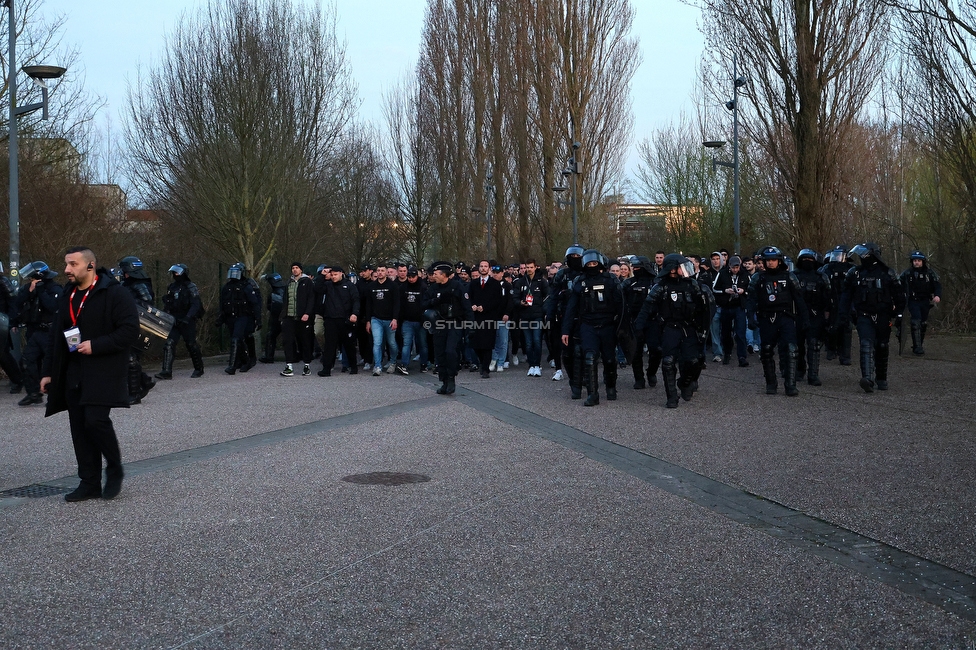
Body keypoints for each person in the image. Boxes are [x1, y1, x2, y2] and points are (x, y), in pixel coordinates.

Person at [41, 246, 139, 502]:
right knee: (79, 427)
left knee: (95, 420)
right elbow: (55, 336)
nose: (66, 270)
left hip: (103, 370)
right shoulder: (68, 294)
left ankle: (114, 466)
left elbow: (129, 330)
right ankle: (89, 482)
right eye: (66, 264)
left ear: (90, 266)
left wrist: (97, 345)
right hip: (74, 370)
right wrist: (48, 373)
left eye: (72, 264)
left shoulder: (115, 293)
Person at [634, 254, 709, 408]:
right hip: (669, 328)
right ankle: (672, 397)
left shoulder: (692, 285)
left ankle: (684, 383)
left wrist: (703, 330)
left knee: (694, 361)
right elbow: (647, 308)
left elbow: (704, 309)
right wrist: (638, 328)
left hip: (689, 327)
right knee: (668, 362)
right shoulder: (660, 286)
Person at [839, 242, 905, 392]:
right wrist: (844, 315)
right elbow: (846, 296)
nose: (861, 257)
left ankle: (881, 378)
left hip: (883, 316)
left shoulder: (888, 273)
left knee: (882, 346)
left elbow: (900, 296)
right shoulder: (854, 273)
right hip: (864, 315)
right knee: (866, 344)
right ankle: (867, 379)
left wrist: (899, 315)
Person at [562, 249, 624, 406]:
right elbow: (571, 308)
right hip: (588, 325)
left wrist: (622, 327)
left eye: (594, 263)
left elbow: (621, 305)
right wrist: (566, 330)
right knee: (589, 358)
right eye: (589, 263)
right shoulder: (580, 282)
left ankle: (611, 387)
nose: (592, 266)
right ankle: (592, 394)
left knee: (610, 359)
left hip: (608, 325)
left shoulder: (611, 280)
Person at [746, 246, 808, 397]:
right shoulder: (757, 278)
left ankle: (790, 385)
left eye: (774, 260)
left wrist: (804, 319)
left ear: (779, 261)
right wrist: (750, 318)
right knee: (766, 350)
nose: (771, 263)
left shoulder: (789, 277)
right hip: (766, 318)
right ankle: (771, 383)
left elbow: (799, 299)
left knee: (791, 350)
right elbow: (751, 300)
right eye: (768, 260)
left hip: (785, 317)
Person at [14, 261, 61, 406]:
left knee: (52, 364)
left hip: (50, 331)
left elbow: (53, 307)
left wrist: (41, 291)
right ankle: (33, 392)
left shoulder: (55, 288)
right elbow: (17, 304)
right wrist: (30, 291)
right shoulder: (30, 287)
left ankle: (55, 394)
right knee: (26, 361)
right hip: (35, 331)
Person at [423, 261, 473, 395]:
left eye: (436, 274)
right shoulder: (433, 288)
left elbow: (467, 307)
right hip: (439, 324)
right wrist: (436, 301)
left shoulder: (457, 287)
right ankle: (444, 381)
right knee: (440, 354)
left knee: (450, 351)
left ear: (444, 275)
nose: (433, 276)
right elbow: (423, 303)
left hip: (454, 323)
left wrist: (470, 326)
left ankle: (451, 378)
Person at [155, 263, 205, 379]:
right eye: (174, 273)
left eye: (177, 272)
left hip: (187, 319)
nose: (175, 275)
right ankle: (166, 371)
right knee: (169, 343)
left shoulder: (191, 286)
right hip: (174, 319)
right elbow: (168, 304)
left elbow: (195, 304)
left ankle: (199, 369)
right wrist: (165, 315)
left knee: (191, 344)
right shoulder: (172, 287)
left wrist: (188, 318)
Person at [118, 256, 157, 404]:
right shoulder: (126, 284)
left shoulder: (140, 285)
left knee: (130, 358)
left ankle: (134, 394)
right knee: (127, 358)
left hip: (137, 325)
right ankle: (145, 381)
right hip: (125, 324)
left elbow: (147, 305)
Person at [793, 249, 831, 385]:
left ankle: (813, 374)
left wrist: (828, 319)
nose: (807, 262)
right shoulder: (794, 276)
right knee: (797, 346)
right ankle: (799, 369)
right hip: (797, 315)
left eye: (810, 260)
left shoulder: (822, 277)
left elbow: (828, 300)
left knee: (814, 345)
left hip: (816, 316)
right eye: (805, 259)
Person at [218, 262, 262, 375]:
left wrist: (258, 318)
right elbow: (223, 304)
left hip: (243, 316)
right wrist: (221, 317)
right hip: (230, 317)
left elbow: (255, 303)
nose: (233, 275)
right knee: (237, 339)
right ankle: (242, 360)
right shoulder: (227, 287)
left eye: (235, 273)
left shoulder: (246, 286)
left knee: (236, 338)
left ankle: (232, 366)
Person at [317, 265, 360, 376]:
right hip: (330, 319)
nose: (333, 277)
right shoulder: (328, 285)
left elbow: (356, 300)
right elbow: (317, 289)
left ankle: (353, 366)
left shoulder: (349, 286)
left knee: (349, 345)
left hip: (345, 319)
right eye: (332, 275)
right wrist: (322, 275)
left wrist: (355, 313)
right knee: (329, 345)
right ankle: (326, 369)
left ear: (341, 273)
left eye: (335, 275)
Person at [468, 259, 508, 378]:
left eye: (486, 266)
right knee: (475, 343)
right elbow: (468, 297)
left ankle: (485, 369)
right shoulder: (474, 283)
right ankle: (482, 363)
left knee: (487, 344)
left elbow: (498, 301)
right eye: (481, 266)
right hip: (476, 317)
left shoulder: (495, 284)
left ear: (489, 268)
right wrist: (473, 306)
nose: (483, 268)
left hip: (489, 317)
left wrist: (484, 307)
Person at [899, 250, 942, 355]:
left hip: (925, 301)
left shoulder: (929, 273)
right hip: (913, 301)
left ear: (923, 261)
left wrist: (937, 295)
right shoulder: (907, 273)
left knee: (923, 323)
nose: (916, 262)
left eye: (918, 260)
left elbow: (937, 285)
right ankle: (917, 347)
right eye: (914, 261)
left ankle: (918, 344)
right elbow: (898, 284)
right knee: (916, 321)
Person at [513, 258, 550, 377]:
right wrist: (520, 303)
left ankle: (538, 365)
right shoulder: (520, 282)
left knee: (537, 341)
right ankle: (531, 366)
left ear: (535, 267)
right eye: (526, 267)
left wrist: (542, 308)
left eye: (530, 267)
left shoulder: (541, 281)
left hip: (537, 316)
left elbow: (548, 296)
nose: (528, 270)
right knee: (528, 343)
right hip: (524, 316)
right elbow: (515, 298)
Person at [279, 262, 315, 377]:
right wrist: (283, 315)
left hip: (303, 317)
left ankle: (307, 365)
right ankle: (289, 366)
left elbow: (311, 298)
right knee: (287, 341)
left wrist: (307, 313)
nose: (294, 270)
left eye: (297, 268)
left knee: (304, 341)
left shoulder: (307, 282)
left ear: (301, 270)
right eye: (293, 268)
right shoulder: (288, 283)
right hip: (289, 316)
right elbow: (285, 299)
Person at [365, 262, 401, 375]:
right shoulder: (371, 286)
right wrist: (368, 321)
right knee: (377, 342)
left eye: (382, 271)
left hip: (390, 319)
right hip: (376, 319)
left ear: (386, 272)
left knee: (391, 343)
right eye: (378, 271)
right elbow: (368, 305)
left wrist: (395, 318)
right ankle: (377, 366)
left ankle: (393, 362)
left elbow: (397, 304)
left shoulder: (393, 286)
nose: (380, 273)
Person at [714, 255, 750, 367]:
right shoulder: (722, 274)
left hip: (739, 307)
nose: (735, 269)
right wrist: (725, 291)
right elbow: (715, 288)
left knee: (740, 332)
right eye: (733, 267)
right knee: (725, 333)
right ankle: (727, 354)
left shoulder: (745, 275)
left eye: (737, 267)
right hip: (726, 307)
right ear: (729, 266)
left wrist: (743, 291)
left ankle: (742, 356)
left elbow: (751, 289)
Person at [821, 245, 854, 365]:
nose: (837, 258)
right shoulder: (827, 268)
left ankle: (845, 355)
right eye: (836, 255)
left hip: (846, 302)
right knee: (831, 326)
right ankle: (831, 349)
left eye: (839, 255)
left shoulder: (851, 269)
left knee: (846, 328)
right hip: (831, 301)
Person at [398, 265, 429, 373]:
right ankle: (404, 364)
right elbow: (400, 304)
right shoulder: (403, 287)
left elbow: (426, 303)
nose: (411, 279)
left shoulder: (423, 287)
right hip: (407, 320)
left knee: (422, 344)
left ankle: (424, 364)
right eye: (409, 277)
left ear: (417, 276)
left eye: (413, 277)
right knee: (407, 344)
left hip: (420, 321)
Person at [0, 258, 23, 393]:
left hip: (1, 323)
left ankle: (17, 380)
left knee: (3, 355)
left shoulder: (3, 282)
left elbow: (14, 302)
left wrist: (11, 320)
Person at [258, 272, 287, 363]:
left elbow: (270, 306)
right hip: (285, 316)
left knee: (271, 335)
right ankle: (293, 355)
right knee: (288, 336)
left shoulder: (275, 293)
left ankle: (269, 356)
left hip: (276, 317)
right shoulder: (285, 288)